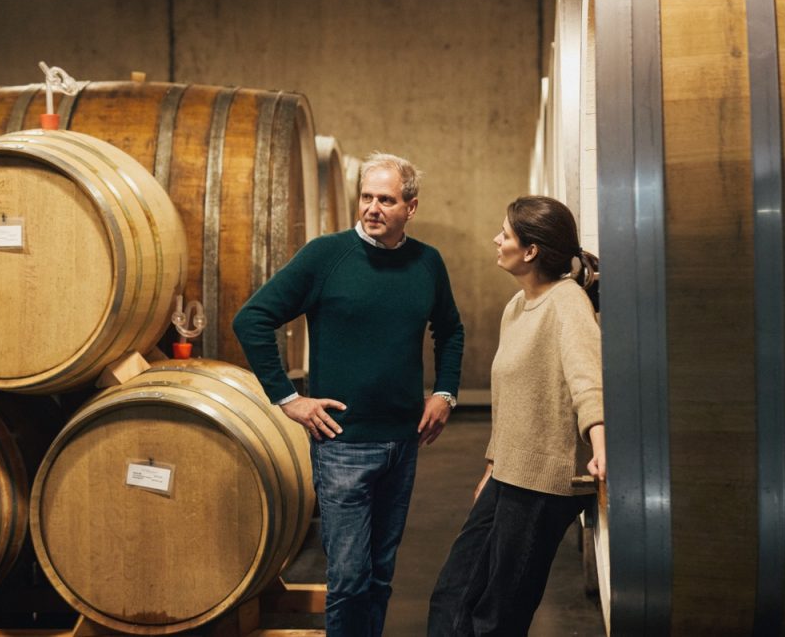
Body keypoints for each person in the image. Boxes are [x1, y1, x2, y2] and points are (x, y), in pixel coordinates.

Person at [232, 152, 465, 637]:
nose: (373, 208)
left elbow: (450, 330)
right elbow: (251, 319)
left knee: (380, 576)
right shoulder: (326, 255)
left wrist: (444, 392)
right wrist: (287, 398)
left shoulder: (427, 262)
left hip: (403, 442)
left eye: (386, 199)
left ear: (411, 207)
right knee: (350, 579)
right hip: (343, 444)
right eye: (366, 197)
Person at [427, 195, 604, 637]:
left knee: (499, 613)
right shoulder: (516, 307)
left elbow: (588, 381)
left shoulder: (567, 303)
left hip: (544, 482)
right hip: (509, 474)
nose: (495, 239)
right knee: (453, 593)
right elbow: (509, 399)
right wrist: (492, 463)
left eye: (505, 234)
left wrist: (601, 450)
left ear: (530, 251)